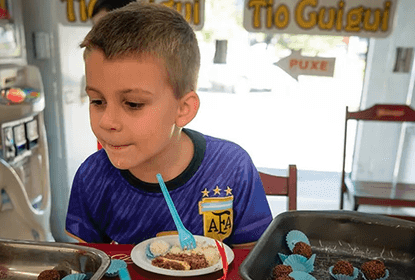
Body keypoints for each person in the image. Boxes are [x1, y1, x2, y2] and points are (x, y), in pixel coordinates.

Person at [65, 3, 272, 248]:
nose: (106, 121)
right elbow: (85, 266)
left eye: (133, 104)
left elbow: (250, 261)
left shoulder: (231, 167)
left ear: (183, 109)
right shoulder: (92, 177)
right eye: (97, 101)